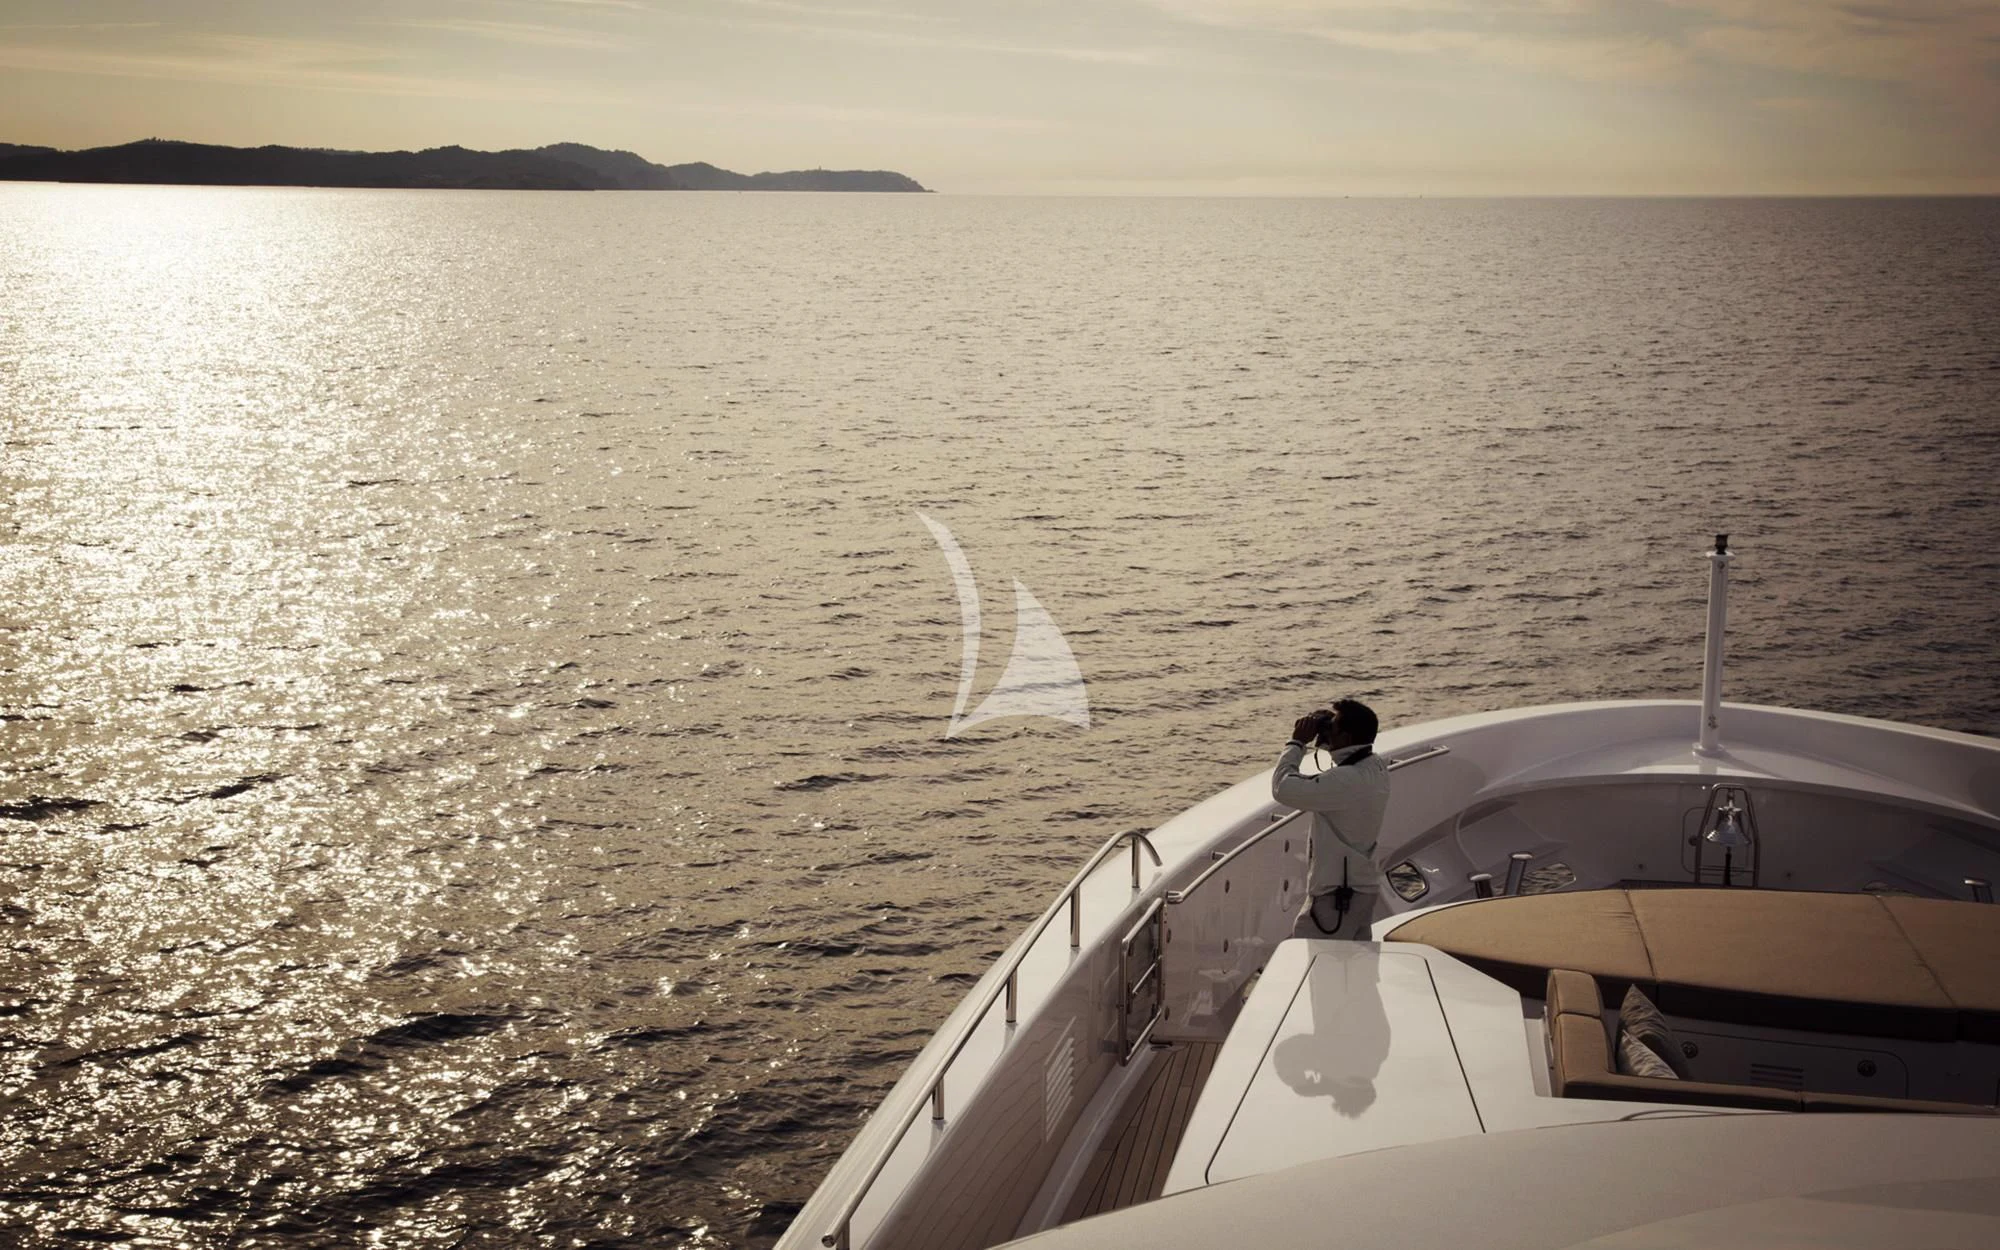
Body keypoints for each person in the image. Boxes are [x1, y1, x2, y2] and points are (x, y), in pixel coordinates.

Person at [1273, 698, 1390, 938]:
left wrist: (1297, 743)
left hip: (1337, 898)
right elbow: (1342, 768)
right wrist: (1329, 736)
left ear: (1346, 738)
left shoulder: (1345, 781)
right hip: (1361, 892)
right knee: (1354, 968)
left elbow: (1283, 788)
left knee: (1318, 965)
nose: (1327, 731)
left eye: (1332, 728)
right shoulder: (1375, 766)